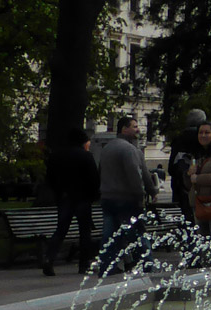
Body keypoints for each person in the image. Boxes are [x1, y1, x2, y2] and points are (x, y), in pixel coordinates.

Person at [42, 128, 100, 275]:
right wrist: (93, 196)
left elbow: (50, 178)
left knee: (61, 229)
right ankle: (83, 264)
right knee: (84, 232)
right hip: (82, 197)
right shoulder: (86, 156)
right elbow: (94, 179)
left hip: (64, 197)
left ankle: (49, 258)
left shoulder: (56, 156)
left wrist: (59, 192)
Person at [94, 116, 148, 273]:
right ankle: (146, 263)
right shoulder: (129, 149)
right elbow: (136, 175)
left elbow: (101, 172)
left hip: (107, 197)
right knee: (135, 232)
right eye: (135, 126)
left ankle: (106, 266)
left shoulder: (107, 148)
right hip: (125, 199)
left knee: (109, 234)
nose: (138, 129)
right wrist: (141, 195)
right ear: (124, 129)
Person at [169, 109, 208, 219]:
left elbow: (171, 167)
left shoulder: (178, 139)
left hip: (179, 185)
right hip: (199, 185)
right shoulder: (204, 139)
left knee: (182, 218)